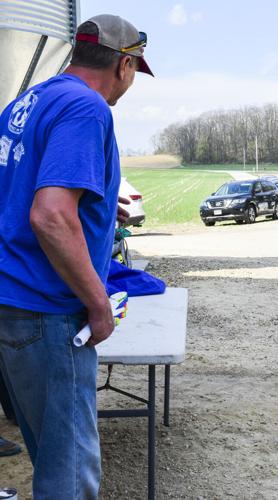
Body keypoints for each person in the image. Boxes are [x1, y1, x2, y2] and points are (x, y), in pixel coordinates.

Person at [0, 14, 152, 498]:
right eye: (132, 72)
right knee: (68, 476)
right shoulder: (87, 108)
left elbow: (19, 198)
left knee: (48, 453)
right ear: (124, 64)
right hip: (48, 313)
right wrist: (98, 302)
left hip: (12, 305)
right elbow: (49, 216)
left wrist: (101, 214)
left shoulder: (27, 101)